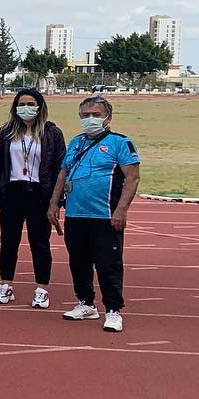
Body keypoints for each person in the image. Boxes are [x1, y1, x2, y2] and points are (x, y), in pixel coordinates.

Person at [48, 96, 139, 333]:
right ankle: (86, 303)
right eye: (85, 115)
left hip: (105, 216)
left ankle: (113, 310)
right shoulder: (76, 142)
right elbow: (63, 173)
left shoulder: (121, 143)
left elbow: (132, 178)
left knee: (108, 264)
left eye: (95, 115)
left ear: (108, 117)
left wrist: (121, 210)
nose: (90, 120)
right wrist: (53, 204)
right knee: (78, 262)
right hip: (76, 214)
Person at [0, 89, 66, 309]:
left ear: (40, 106)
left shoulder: (52, 133)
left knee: (40, 243)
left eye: (31, 103)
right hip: (11, 191)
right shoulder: (6, 132)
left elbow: (61, 168)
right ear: (15, 107)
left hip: (40, 193)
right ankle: (6, 285)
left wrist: (57, 201)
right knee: (8, 241)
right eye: (21, 104)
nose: (26, 108)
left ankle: (41, 288)